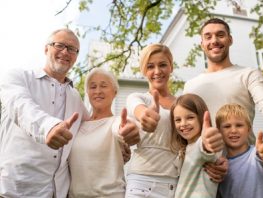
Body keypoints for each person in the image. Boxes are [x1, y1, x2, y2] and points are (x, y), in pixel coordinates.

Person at [0, 28, 89, 197]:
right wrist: (49, 127)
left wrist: (119, 144)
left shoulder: (76, 97)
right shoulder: (18, 77)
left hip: (58, 192)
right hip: (15, 190)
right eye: (59, 45)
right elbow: (21, 106)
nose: (65, 52)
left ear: (76, 57)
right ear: (46, 49)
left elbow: (93, 128)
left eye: (72, 49)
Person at [184, 18, 263, 142]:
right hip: (205, 160)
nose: (214, 40)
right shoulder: (190, 86)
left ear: (230, 40)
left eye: (220, 35)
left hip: (245, 159)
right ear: (202, 44)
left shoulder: (248, 74)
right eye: (208, 37)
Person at [68, 68, 140, 197]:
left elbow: (122, 129)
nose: (98, 91)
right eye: (93, 87)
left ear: (115, 92)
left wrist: (127, 130)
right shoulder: (77, 125)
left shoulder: (116, 122)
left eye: (104, 86)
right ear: (87, 93)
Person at [125, 43, 180, 197]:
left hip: (173, 184)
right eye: (150, 66)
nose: (157, 71)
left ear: (171, 67)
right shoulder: (137, 98)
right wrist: (145, 116)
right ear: (144, 71)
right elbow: (139, 110)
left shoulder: (182, 103)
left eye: (162, 65)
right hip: (141, 183)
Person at [216, 103, 263, 198]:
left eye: (239, 125)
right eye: (227, 126)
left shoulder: (256, 155)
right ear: (219, 131)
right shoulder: (220, 167)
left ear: (249, 129)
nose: (234, 130)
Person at [170, 94, 224, 198]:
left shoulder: (200, 145)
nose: (183, 124)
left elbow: (205, 148)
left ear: (201, 117)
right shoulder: (185, 149)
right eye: (178, 120)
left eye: (190, 117)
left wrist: (207, 139)